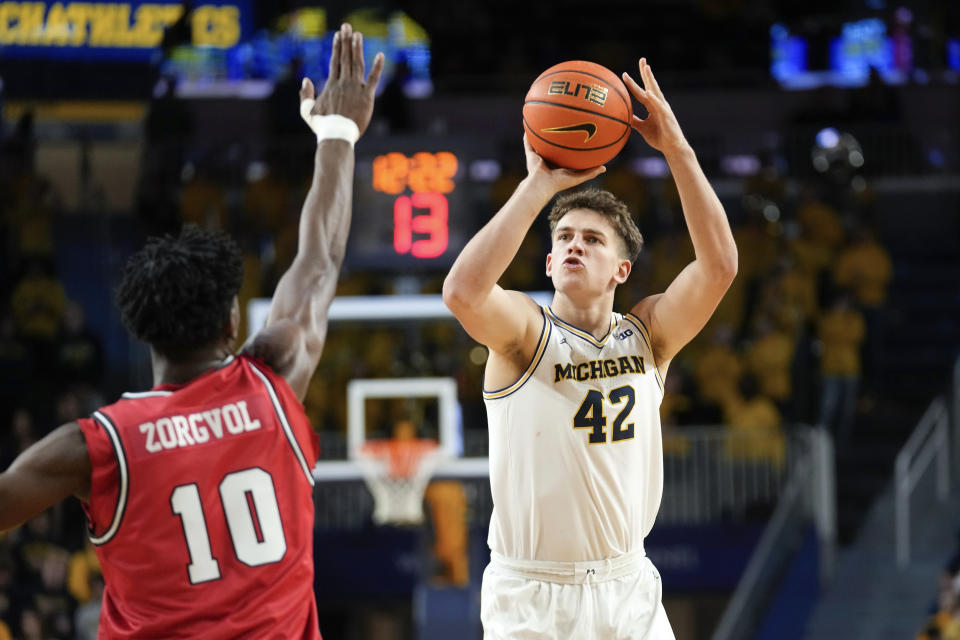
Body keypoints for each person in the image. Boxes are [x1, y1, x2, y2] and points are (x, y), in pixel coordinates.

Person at [0, 23, 383, 639]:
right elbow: (318, 261)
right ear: (233, 321)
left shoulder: (96, 445)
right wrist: (337, 133)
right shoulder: (275, 381)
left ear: (142, 330)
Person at [443, 58, 737, 639]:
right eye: (564, 238)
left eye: (593, 239)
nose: (575, 246)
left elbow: (720, 266)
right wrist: (537, 188)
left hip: (627, 587)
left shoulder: (649, 334)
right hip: (532, 595)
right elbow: (462, 292)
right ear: (549, 263)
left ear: (621, 269)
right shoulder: (524, 335)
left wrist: (677, 149)